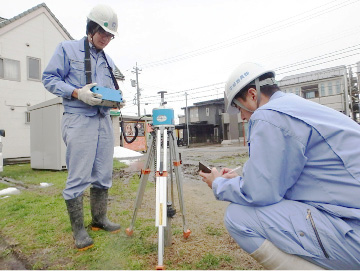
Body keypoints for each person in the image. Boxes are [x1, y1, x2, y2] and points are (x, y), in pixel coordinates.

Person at [199, 62, 360, 270]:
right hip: (351, 214)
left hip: (353, 231)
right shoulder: (296, 107)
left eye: (239, 108)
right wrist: (241, 180)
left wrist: (218, 184)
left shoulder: (269, 115)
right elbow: (284, 174)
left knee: (238, 216)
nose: (242, 117)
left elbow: (261, 193)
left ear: (252, 95)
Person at [42, 4, 124, 251]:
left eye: (110, 36)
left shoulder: (107, 60)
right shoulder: (67, 49)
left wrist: (118, 100)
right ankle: (78, 230)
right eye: (103, 34)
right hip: (78, 119)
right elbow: (49, 79)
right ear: (91, 28)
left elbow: (109, 90)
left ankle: (99, 219)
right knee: (79, 175)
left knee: (103, 173)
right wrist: (77, 93)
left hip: (103, 120)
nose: (106, 39)